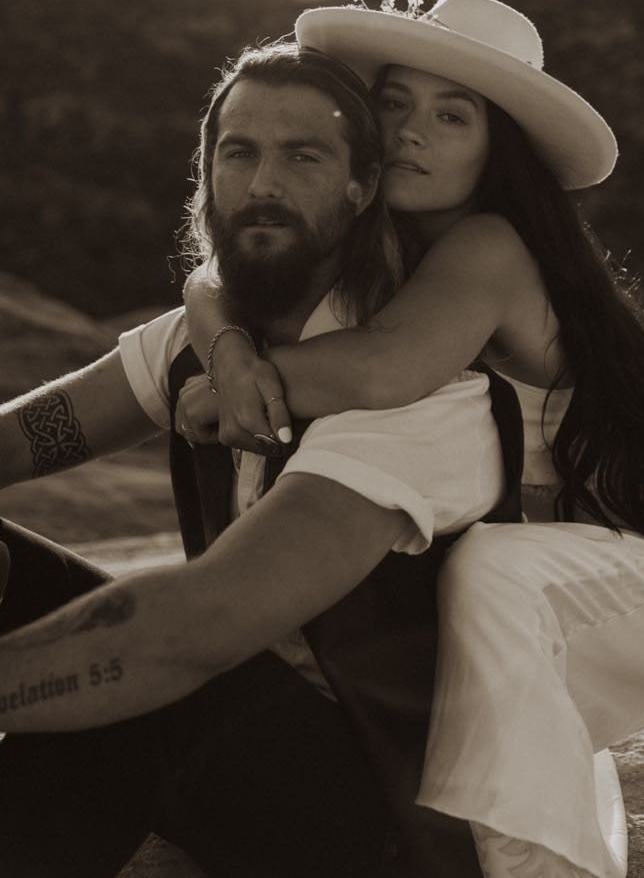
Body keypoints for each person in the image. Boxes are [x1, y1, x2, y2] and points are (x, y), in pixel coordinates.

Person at [178, 0, 644, 878]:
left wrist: (240, 384)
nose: (413, 131)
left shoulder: (489, 244)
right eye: (395, 103)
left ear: (499, 153)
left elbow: (383, 370)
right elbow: (209, 277)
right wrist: (224, 348)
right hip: (567, 568)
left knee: (490, 573)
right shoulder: (371, 247)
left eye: (452, 117)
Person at [0, 44, 520, 878]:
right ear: (207, 178)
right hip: (227, 724)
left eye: (303, 155)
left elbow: (200, 626)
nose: (263, 183)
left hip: (369, 805)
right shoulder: (195, 343)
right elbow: (20, 439)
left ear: (362, 188)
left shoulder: (420, 392)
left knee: (132, 692)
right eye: (239, 152)